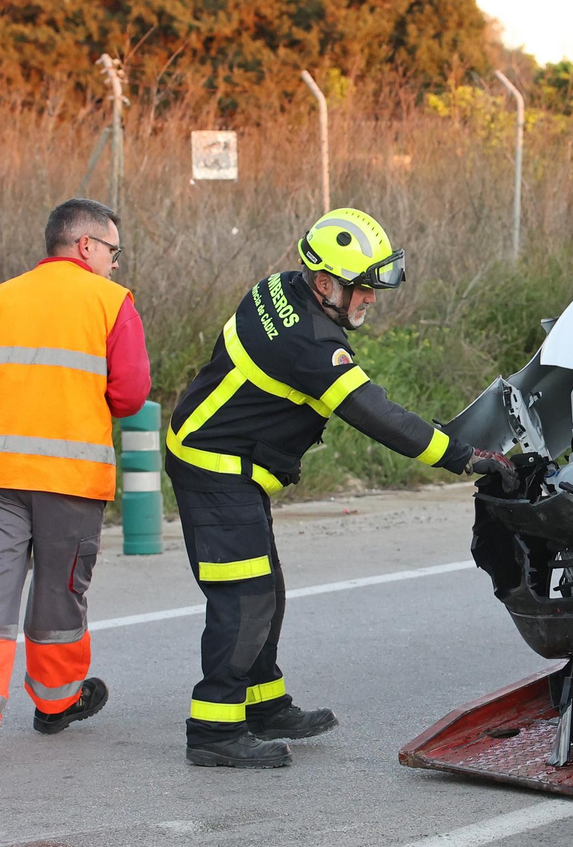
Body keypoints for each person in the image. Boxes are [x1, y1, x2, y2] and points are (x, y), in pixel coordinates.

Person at [164, 208, 515, 768]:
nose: (371, 300)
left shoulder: (277, 289)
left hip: (225, 458)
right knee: (246, 597)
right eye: (363, 289)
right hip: (215, 468)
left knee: (266, 588)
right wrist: (464, 456)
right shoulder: (311, 346)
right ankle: (213, 732)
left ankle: (263, 704)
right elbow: (381, 417)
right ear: (324, 283)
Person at [0, 198, 152, 761]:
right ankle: (56, 703)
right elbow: (129, 396)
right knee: (59, 592)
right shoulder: (111, 303)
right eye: (112, 251)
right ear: (85, 246)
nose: (115, 263)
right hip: (69, 479)